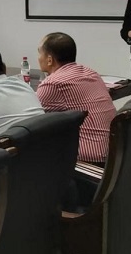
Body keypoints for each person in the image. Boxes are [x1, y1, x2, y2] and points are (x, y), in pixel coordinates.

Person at [36, 33, 116, 164]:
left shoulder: (52, 83)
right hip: (115, 148)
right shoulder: (92, 73)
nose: (38, 58)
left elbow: (32, 117)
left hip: (89, 156)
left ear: (49, 60)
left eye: (39, 53)